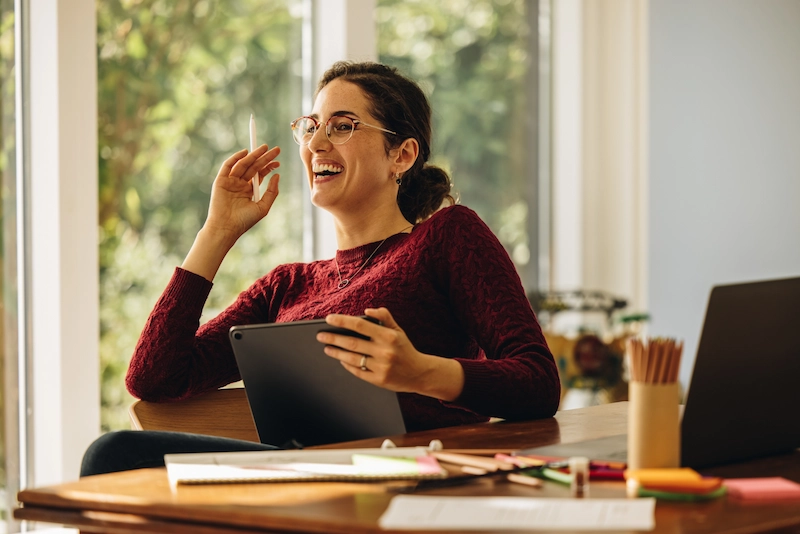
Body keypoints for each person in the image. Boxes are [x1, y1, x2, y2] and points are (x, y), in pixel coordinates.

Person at [81, 61, 560, 476]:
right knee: (113, 455)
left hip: (402, 475)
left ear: (402, 154)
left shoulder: (447, 237)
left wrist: (421, 373)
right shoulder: (286, 286)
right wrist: (216, 233)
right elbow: (153, 378)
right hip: (296, 475)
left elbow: (538, 382)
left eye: (343, 125)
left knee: (113, 454)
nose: (317, 144)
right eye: (311, 127)